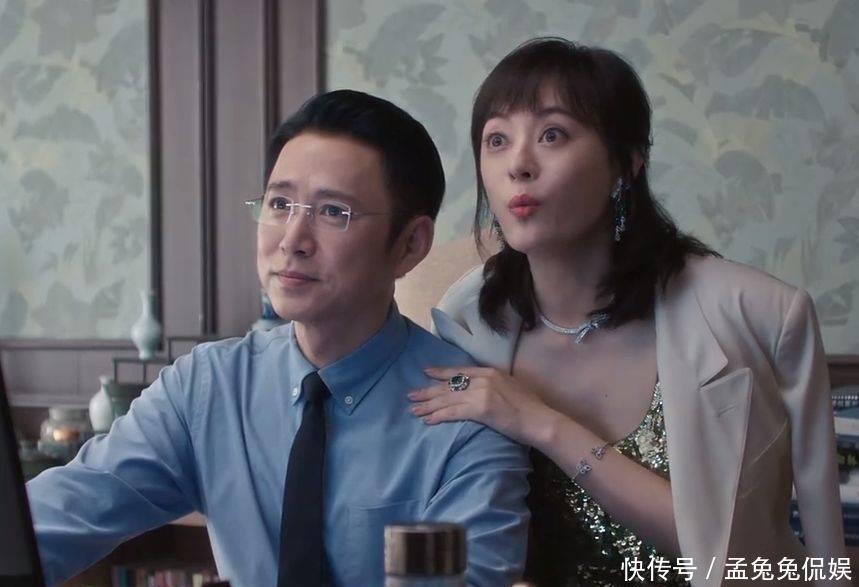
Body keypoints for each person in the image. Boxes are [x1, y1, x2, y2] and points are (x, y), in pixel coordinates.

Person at [26, 90, 531, 587]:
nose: (291, 240)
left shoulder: (468, 415)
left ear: (410, 244)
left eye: (333, 212)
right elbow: (64, 513)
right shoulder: (208, 386)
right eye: (280, 203)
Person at [409, 38, 848, 586]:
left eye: (552, 134)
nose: (517, 165)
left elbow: (740, 551)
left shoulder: (759, 313)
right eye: (496, 140)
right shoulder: (467, 317)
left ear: (626, 163)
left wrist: (545, 425)